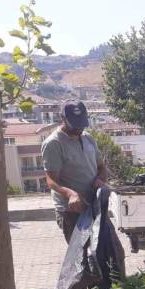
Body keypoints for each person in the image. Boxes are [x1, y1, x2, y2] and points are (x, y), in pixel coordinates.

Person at [42, 100, 108, 243]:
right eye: (74, 123)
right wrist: (70, 194)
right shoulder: (54, 143)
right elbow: (51, 180)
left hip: (93, 205)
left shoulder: (88, 137)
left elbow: (101, 167)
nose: (79, 128)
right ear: (62, 119)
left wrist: (101, 180)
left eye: (81, 122)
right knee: (80, 258)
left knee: (104, 252)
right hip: (71, 211)